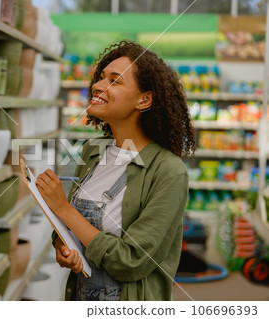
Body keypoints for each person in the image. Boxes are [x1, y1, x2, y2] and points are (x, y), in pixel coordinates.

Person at [35, 40, 196, 301]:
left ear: (144, 99)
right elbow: (74, 228)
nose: (97, 85)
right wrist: (64, 246)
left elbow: (132, 261)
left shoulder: (167, 170)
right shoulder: (93, 151)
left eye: (114, 81)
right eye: (100, 78)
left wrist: (63, 208)